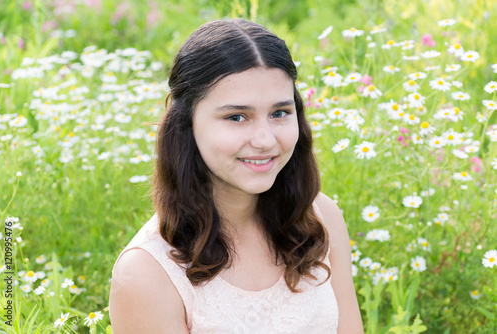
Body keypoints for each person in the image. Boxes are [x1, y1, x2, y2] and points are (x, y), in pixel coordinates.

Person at [109, 18, 363, 333]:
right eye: (237, 117)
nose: (266, 140)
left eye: (279, 113)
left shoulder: (321, 218)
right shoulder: (147, 273)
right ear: (187, 124)